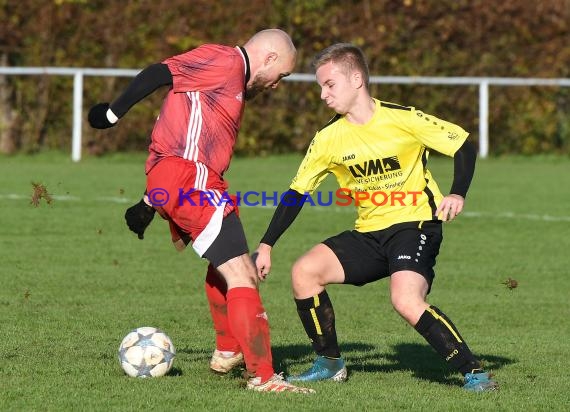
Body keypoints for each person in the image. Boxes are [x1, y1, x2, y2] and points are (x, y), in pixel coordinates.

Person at [254, 43, 498, 392]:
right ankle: (329, 362)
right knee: (304, 272)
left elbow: (461, 145)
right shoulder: (327, 139)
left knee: (405, 299)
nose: (323, 94)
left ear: (356, 79)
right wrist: (266, 245)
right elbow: (297, 193)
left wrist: (457, 192)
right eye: (320, 87)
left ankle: (472, 371)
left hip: (415, 225)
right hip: (369, 232)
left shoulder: (403, 118)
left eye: (329, 84)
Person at [88, 29, 314, 394]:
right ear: (269, 58)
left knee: (225, 264)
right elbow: (158, 73)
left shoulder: (230, 78)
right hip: (192, 182)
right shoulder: (224, 61)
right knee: (241, 274)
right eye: (281, 75)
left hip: (191, 180)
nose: (276, 85)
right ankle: (264, 376)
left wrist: (151, 199)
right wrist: (112, 113)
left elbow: (183, 135)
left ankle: (227, 351)